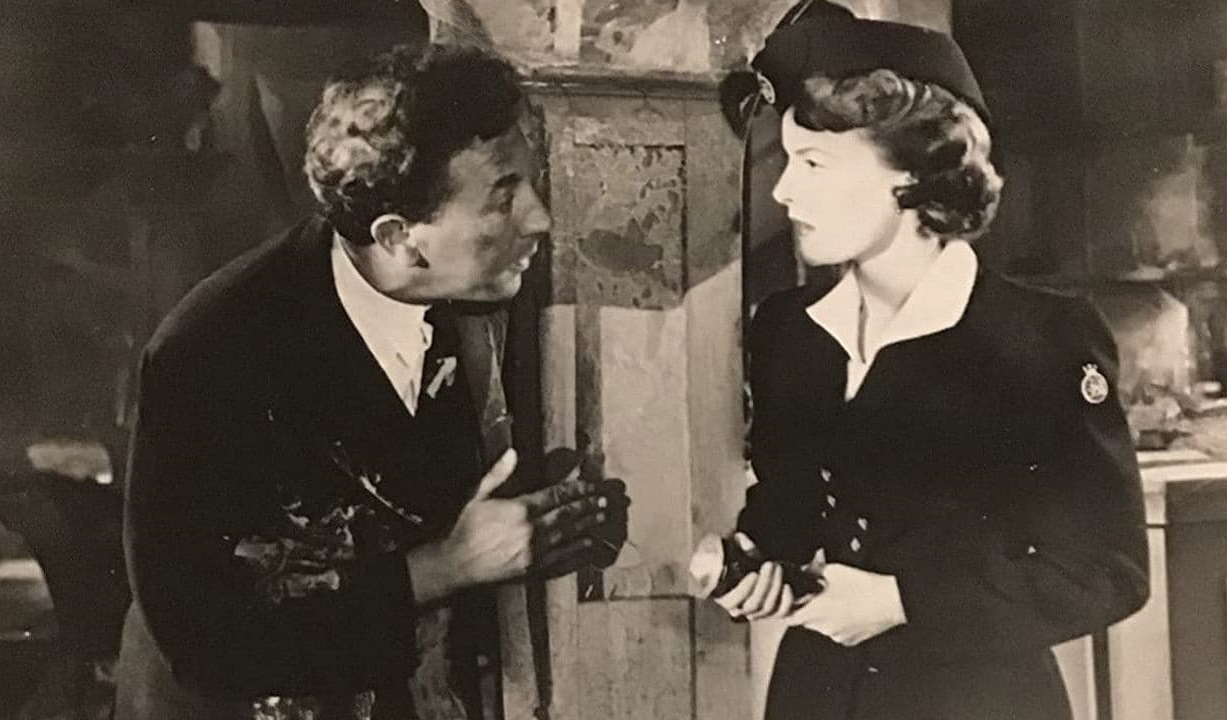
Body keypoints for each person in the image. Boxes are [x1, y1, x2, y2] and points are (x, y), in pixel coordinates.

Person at [116, 43, 627, 720]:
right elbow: (202, 641)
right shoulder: (210, 354)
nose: (541, 218)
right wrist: (446, 565)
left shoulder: (495, 292)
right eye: (503, 196)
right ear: (398, 237)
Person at [712, 4, 1150, 720]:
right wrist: (757, 562)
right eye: (787, 161)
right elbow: (793, 507)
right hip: (819, 697)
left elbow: (1108, 570)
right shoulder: (790, 331)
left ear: (912, 176)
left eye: (813, 163)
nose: (784, 190)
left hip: (977, 700)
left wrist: (901, 601)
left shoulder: (1038, 338)